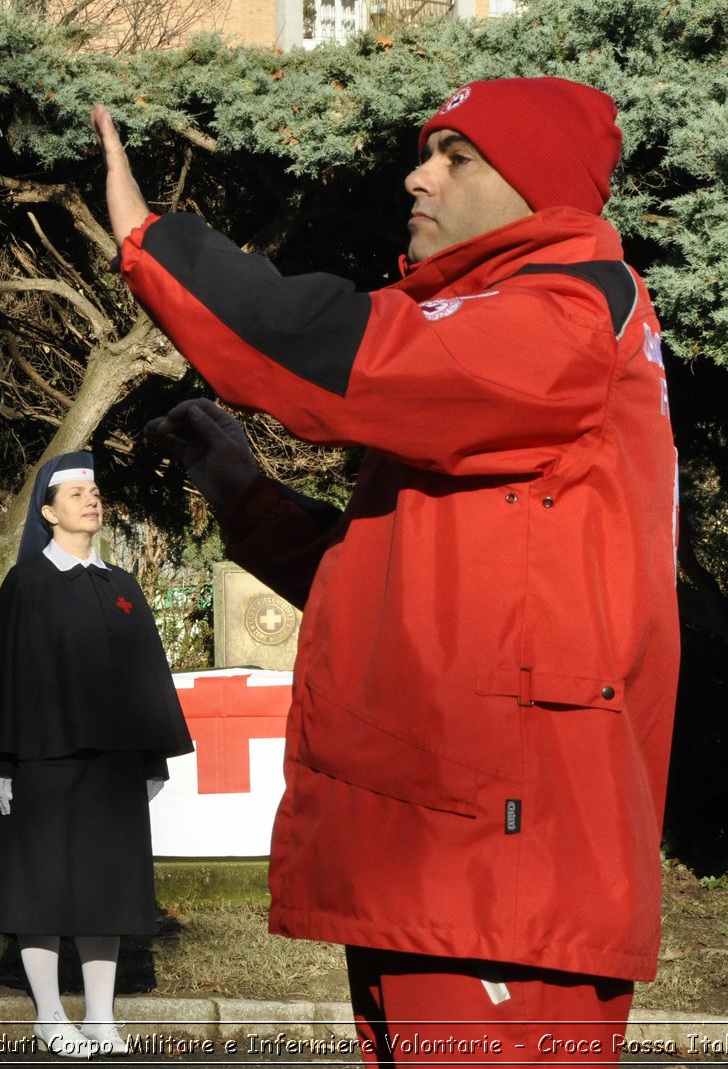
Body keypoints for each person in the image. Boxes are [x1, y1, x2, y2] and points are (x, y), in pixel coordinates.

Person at [100, 76, 680, 1066]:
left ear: (536, 191)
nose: (418, 174)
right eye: (425, 149)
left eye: (456, 156)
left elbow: (349, 352)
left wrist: (155, 243)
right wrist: (247, 495)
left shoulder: (566, 313)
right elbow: (399, 588)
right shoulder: (509, 334)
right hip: (452, 865)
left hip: (499, 871)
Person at [0, 451, 193, 1059]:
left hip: (114, 766)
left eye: (94, 492)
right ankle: (49, 1013)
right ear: (47, 511)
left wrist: (154, 757)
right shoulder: (26, 584)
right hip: (42, 762)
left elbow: (149, 675)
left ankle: (101, 1015)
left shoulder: (121, 585)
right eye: (76, 494)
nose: (91, 501)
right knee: (40, 887)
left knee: (108, 888)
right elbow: (4, 677)